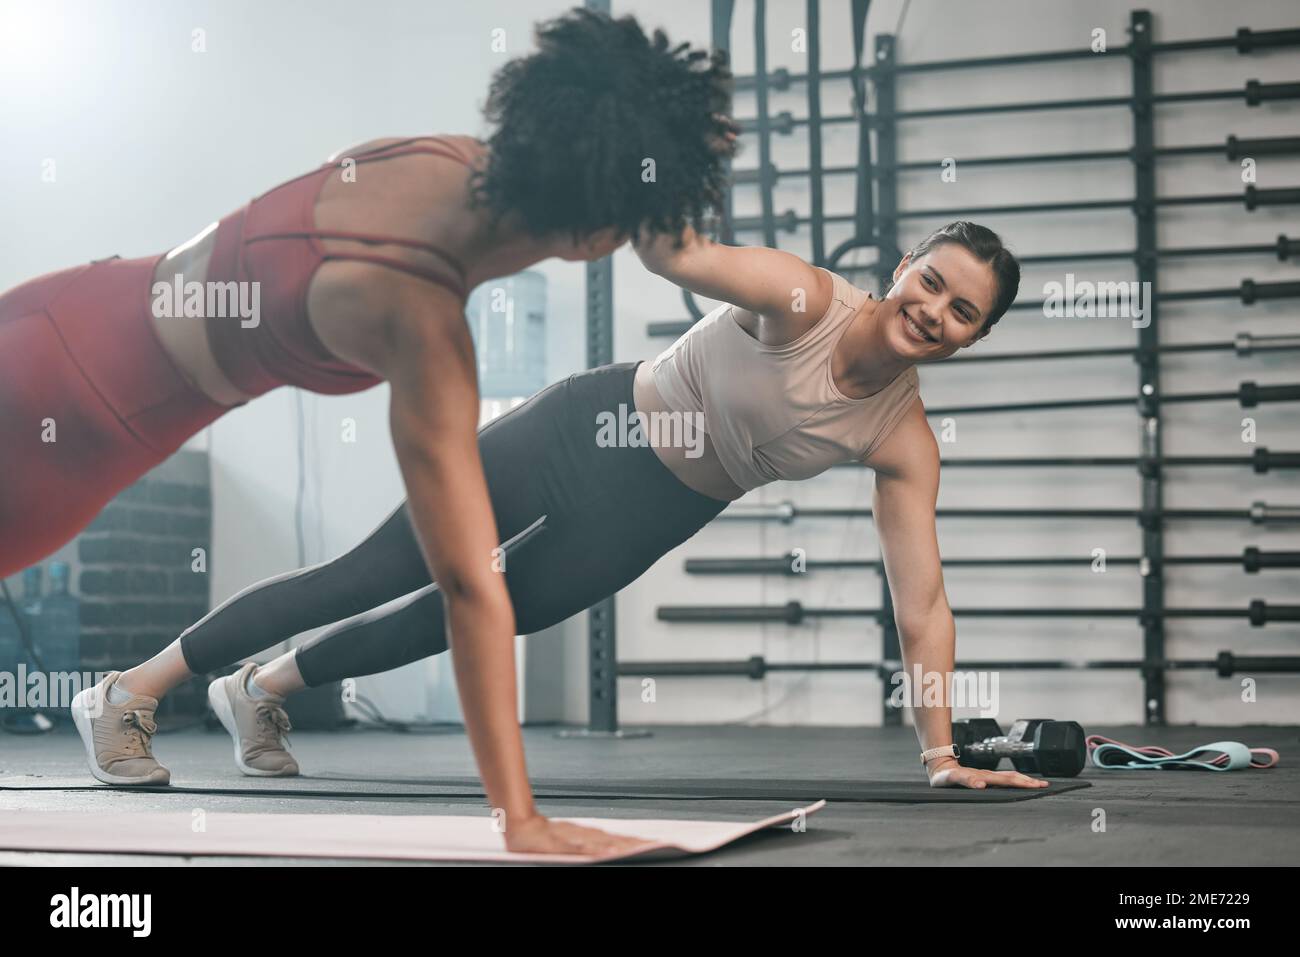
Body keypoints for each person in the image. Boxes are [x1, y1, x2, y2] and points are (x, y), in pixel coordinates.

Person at [1, 8, 736, 856]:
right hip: (86, 428)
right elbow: (470, 589)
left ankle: (124, 697)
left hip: (57, 312)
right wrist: (521, 820)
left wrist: (659, 133)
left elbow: (605, 124)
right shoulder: (417, 319)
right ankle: (122, 696)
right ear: (600, 239)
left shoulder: (434, 156)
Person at [74, 220, 1039, 851]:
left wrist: (939, 752)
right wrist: (642, 186)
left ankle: (261, 689)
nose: (934, 312)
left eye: (963, 312)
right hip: (576, 432)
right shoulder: (803, 299)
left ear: (974, 338)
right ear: (906, 263)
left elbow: (922, 604)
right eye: (933, 282)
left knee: (467, 620)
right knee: (365, 572)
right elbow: (681, 256)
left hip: (654, 512)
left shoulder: (903, 438)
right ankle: (128, 693)